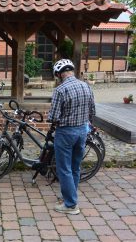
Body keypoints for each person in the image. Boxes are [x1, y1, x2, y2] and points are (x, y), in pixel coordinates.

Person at [48, 59, 95, 215]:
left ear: (60, 74)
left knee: (64, 169)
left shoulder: (60, 90)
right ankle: (70, 196)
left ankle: (70, 205)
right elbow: (92, 112)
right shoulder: (86, 86)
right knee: (75, 167)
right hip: (82, 131)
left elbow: (53, 117)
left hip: (66, 132)